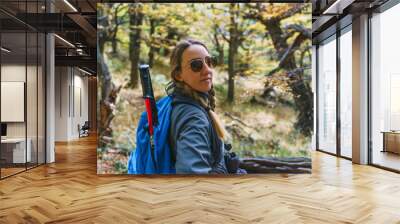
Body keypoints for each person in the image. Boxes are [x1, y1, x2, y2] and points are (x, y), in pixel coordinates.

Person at [168, 39, 230, 174]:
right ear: (178, 75)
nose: (207, 70)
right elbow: (192, 177)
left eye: (209, 62)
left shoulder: (180, 102)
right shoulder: (194, 118)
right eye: (196, 65)